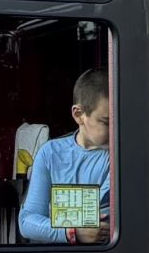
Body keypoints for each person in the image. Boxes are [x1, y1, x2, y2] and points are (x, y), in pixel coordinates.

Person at [19, 68, 112, 244]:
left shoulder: (122, 157)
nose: (115, 129)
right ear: (78, 115)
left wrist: (55, 219)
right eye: (106, 122)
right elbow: (27, 222)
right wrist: (72, 232)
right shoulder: (50, 154)